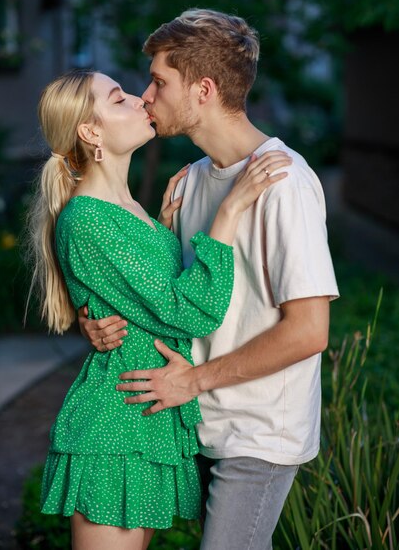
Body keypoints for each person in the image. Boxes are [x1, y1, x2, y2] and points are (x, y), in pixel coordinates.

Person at [81, 9, 339, 550]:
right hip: (196, 422)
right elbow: (172, 299)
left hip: (258, 432)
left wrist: (191, 381)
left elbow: (310, 332)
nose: (146, 96)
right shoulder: (193, 181)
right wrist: (96, 320)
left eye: (159, 81)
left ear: (202, 90)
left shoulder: (283, 183)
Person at [26, 68, 291, 550]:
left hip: (146, 413)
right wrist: (228, 214)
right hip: (117, 421)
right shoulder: (87, 218)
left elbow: (143, 302)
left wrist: (165, 231)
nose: (138, 99)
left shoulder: (135, 213)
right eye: (118, 98)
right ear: (91, 132)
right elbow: (188, 312)